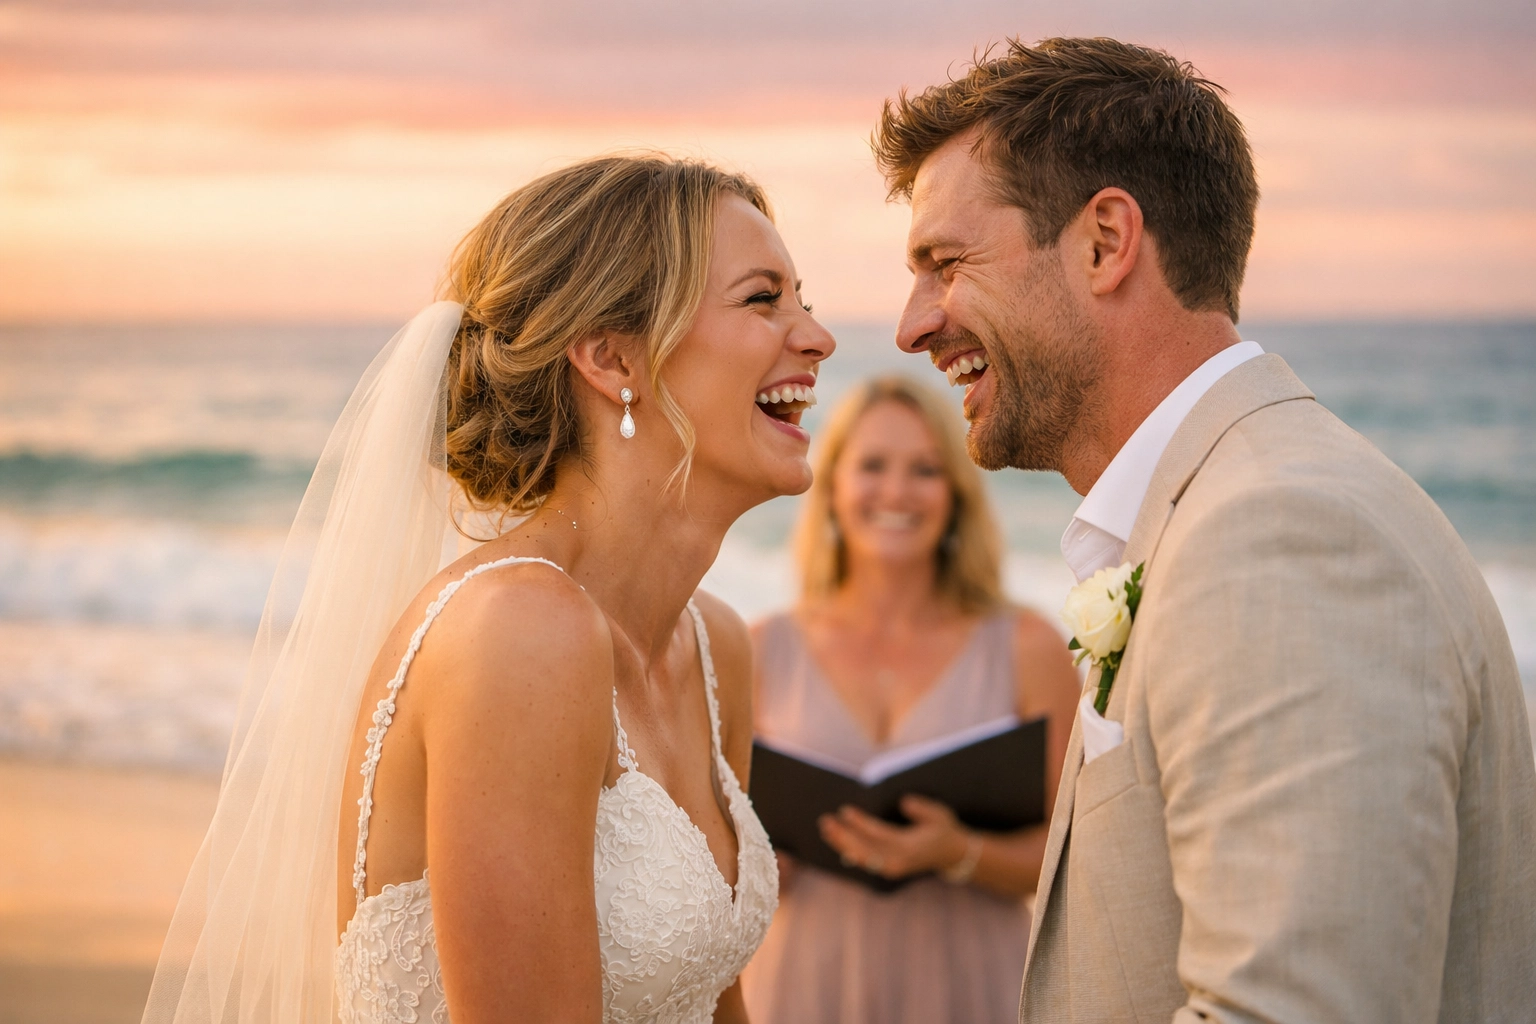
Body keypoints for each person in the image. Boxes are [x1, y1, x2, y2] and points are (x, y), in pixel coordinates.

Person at [875, 36, 1536, 1023]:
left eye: (945, 263)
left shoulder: (1283, 537)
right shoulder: (1230, 507)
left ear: (1105, 242)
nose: (912, 323)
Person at [140, 155, 837, 1024]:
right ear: (611, 356)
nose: (816, 335)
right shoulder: (519, 635)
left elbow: (710, 1000)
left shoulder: (717, 650)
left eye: (801, 298)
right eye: (763, 298)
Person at [740, 375, 1078, 1024]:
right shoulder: (759, 649)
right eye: (872, 466)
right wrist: (756, 871)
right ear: (834, 485)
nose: (896, 491)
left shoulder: (1029, 648)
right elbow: (709, 849)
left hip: (971, 985)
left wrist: (960, 853)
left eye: (924, 469)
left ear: (954, 492)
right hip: (803, 985)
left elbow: (1080, 858)